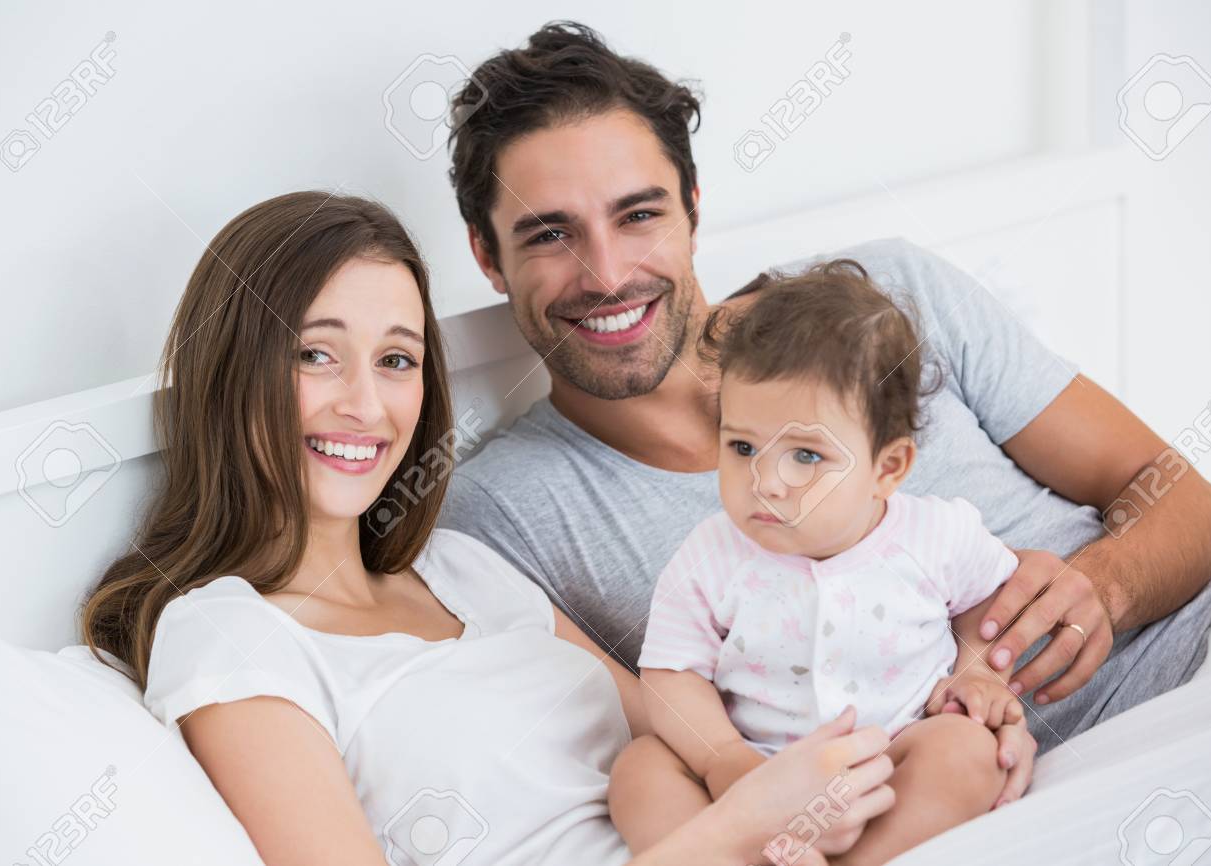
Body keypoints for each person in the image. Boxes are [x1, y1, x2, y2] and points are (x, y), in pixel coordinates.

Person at [438, 20, 1211, 804]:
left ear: (692, 206)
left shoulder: (884, 299)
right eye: (549, 234)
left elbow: (1190, 505)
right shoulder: (497, 520)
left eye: (639, 214)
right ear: (487, 256)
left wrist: (1104, 590)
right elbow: (663, 763)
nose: (606, 274)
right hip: (992, 806)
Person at [80, 191, 897, 866]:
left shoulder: (459, 565)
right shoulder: (229, 636)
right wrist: (738, 830)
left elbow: (690, 740)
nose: (365, 404)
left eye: (396, 360)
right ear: (235, 370)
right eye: (315, 355)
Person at [611, 261, 1024, 865]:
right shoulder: (712, 554)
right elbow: (672, 675)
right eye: (743, 446)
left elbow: (989, 602)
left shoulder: (936, 533)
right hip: (756, 768)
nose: (766, 482)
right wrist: (723, 758)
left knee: (968, 752)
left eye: (805, 455)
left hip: (892, 752)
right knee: (639, 770)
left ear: (889, 468)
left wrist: (979, 671)